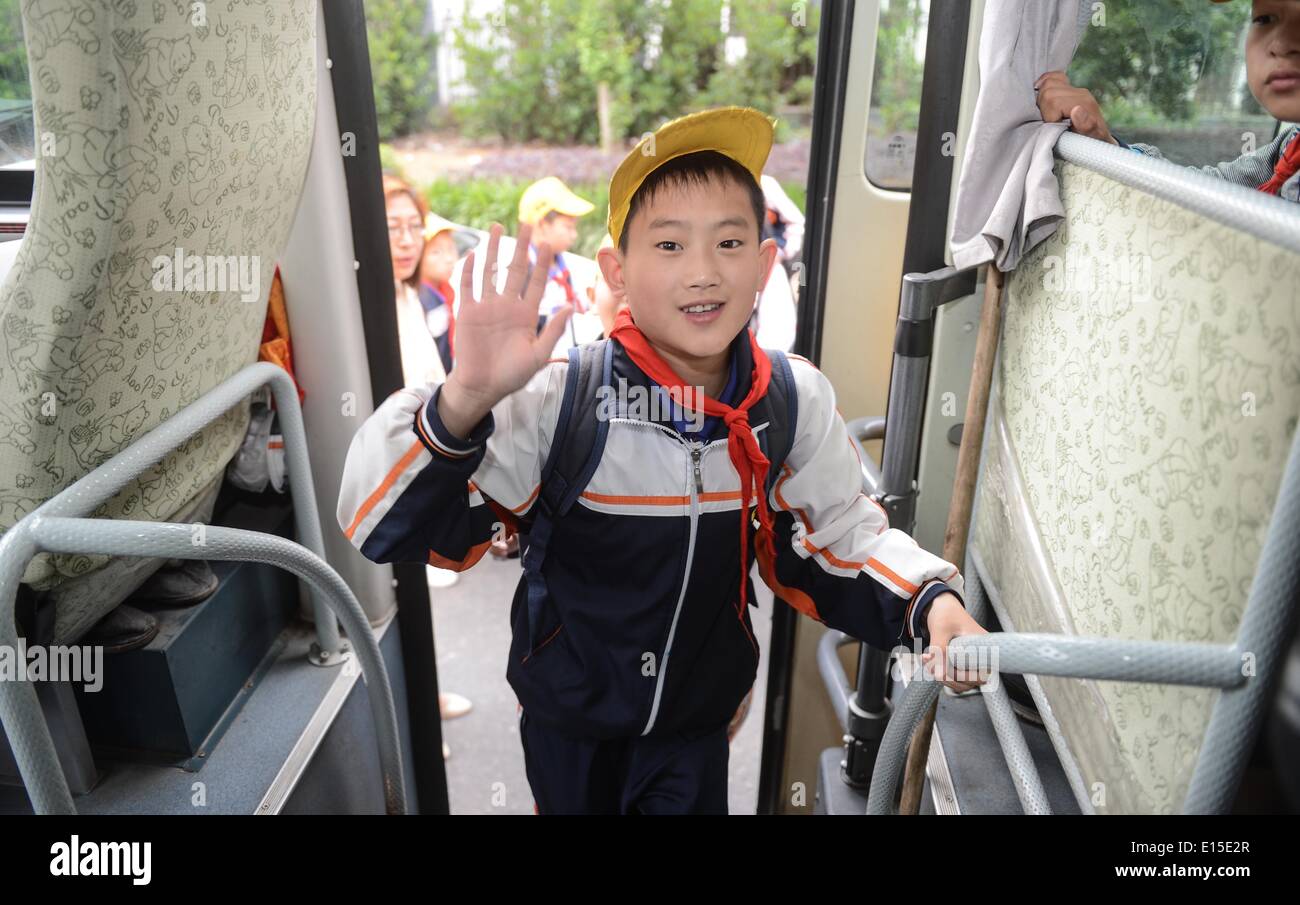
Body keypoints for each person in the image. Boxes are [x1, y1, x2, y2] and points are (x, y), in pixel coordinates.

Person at [341, 108, 986, 814]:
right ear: (616, 271)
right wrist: (462, 399)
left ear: (766, 264)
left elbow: (841, 536)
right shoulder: (561, 398)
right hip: (569, 726)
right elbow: (379, 522)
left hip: (694, 729)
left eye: (731, 241)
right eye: (670, 244)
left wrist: (930, 598)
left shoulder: (787, 402)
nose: (704, 273)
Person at [1036, 0, 1299, 201]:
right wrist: (1106, 144)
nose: (1281, 44)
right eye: (1264, 18)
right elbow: (1209, 191)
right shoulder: (1289, 148)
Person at [382, 175, 473, 747]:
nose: (409, 239)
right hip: (397, 474)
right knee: (396, 598)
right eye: (393, 228)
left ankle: (426, 699)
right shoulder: (368, 303)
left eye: (414, 226)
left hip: (424, 464)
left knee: (417, 594)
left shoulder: (409, 294)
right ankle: (412, 726)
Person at [517, 176, 604, 353]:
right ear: (542, 224)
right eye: (567, 227)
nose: (574, 235)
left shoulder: (564, 266)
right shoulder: (520, 272)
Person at [419, 212, 459, 376]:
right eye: (436, 252)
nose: (449, 258)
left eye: (451, 249)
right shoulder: (421, 298)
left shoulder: (443, 289)